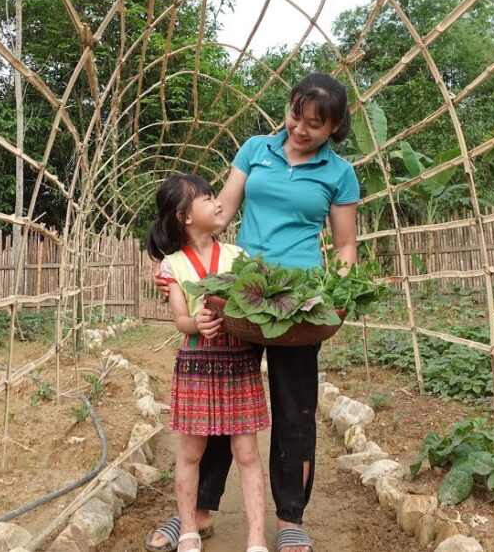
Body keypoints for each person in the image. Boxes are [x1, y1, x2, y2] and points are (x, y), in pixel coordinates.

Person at [147, 73, 359, 552]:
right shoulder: (254, 150)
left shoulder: (339, 173)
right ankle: (197, 513)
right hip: (243, 293)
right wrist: (178, 261)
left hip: (300, 301)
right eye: (295, 117)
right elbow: (217, 210)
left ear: (334, 128)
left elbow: (345, 246)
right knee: (222, 402)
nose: (301, 130)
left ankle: (290, 520)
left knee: (295, 410)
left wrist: (339, 295)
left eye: (315, 125)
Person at [145, 173, 271, 552]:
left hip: (238, 362)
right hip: (197, 362)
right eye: (207, 198)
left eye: (216, 195)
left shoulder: (239, 258)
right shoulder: (172, 267)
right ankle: (188, 529)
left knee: (247, 453)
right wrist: (194, 323)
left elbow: (255, 304)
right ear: (184, 216)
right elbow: (181, 321)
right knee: (191, 452)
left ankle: (255, 538)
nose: (218, 202)